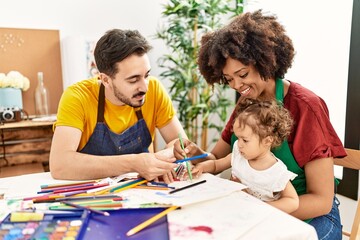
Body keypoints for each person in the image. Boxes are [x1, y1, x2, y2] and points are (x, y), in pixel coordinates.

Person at [173, 10, 346, 239]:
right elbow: (218, 159)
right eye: (229, 79)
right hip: (258, 210)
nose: (236, 85)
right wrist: (197, 155)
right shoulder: (247, 104)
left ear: (265, 61)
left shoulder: (306, 107)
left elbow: (321, 202)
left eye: (242, 74)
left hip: (311, 218)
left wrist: (258, 211)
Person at [50, 29, 187, 182]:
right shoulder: (77, 97)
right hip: (94, 195)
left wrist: (159, 162)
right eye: (133, 80)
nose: (145, 87)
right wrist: (134, 163)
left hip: (143, 191)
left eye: (146, 75)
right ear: (106, 80)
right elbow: (60, 165)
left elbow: (180, 143)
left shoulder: (154, 88)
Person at [191, 98, 299, 213]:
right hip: (233, 210)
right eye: (238, 138)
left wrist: (258, 205)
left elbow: (292, 201)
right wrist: (201, 167)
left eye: (245, 140)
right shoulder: (239, 153)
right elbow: (216, 165)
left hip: (257, 221)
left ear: (267, 141)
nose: (239, 144)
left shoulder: (276, 172)